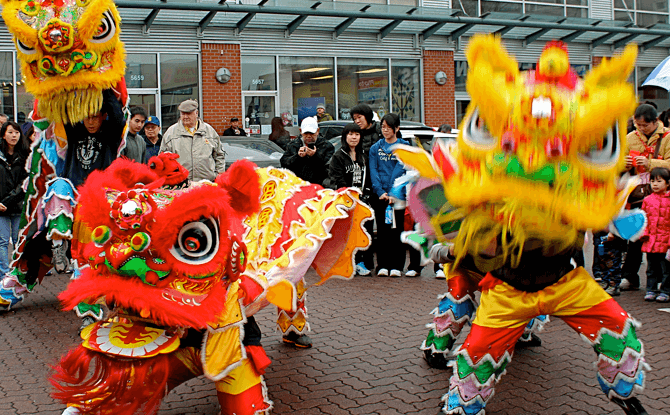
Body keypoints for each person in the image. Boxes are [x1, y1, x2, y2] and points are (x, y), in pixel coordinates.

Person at [621, 104, 670, 292]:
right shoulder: (629, 138)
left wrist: (650, 163)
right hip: (638, 194)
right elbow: (618, 165)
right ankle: (630, 277)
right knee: (636, 235)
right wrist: (623, 164)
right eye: (638, 125)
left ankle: (661, 280)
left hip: (662, 194)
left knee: (661, 236)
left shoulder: (666, 137)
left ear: (655, 122)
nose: (641, 129)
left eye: (645, 125)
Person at [328, 123, 374, 276]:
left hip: (362, 200)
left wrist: (365, 193)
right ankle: (348, 263)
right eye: (350, 134)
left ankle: (361, 262)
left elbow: (368, 178)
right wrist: (348, 194)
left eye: (357, 134)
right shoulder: (338, 156)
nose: (354, 137)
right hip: (346, 201)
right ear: (345, 136)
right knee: (346, 234)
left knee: (362, 231)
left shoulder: (363, 155)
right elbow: (336, 177)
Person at [369, 113, 409, 277]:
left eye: (388, 127)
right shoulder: (375, 148)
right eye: (383, 127)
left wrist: (394, 192)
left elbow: (401, 170)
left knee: (396, 231)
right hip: (381, 196)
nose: (385, 130)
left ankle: (397, 266)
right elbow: (374, 170)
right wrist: (380, 191)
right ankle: (382, 265)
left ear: (397, 128)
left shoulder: (404, 147)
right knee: (383, 232)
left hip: (397, 196)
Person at [63, 89, 126, 188]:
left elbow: (117, 115)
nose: (91, 122)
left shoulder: (110, 133)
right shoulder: (75, 131)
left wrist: (104, 88)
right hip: (74, 191)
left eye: (95, 117)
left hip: (100, 191)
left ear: (104, 116)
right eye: (87, 117)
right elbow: (65, 108)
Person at [160, 99, 226, 182]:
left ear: (196, 113)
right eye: (183, 114)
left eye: (189, 113)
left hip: (207, 183)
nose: (185, 117)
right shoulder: (171, 133)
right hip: (181, 184)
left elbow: (219, 154)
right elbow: (163, 158)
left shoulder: (209, 131)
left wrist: (219, 174)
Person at [0, 121, 30, 276]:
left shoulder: (25, 155)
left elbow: (25, 182)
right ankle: (4, 274)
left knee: (18, 241)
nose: (14, 136)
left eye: (16, 132)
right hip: (0, 208)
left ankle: (18, 273)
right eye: (10, 132)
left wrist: (6, 201)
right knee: (2, 242)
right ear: (3, 134)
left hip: (17, 205)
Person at [640, 167, 670, 302]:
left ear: (668, 183)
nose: (655, 184)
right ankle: (651, 289)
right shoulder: (647, 200)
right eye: (652, 181)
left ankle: (665, 291)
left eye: (659, 181)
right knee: (651, 268)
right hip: (651, 240)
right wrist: (644, 234)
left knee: (666, 270)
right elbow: (643, 219)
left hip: (666, 241)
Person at [280, 117, 334, 186]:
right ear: (300, 131)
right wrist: (298, 156)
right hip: (298, 185)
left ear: (317, 131)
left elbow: (329, 168)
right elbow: (284, 164)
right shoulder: (293, 145)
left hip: (318, 186)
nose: (308, 136)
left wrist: (314, 156)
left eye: (311, 133)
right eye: (306, 133)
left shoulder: (326, 146)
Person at [591, 230, 626, 296]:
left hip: (612, 239)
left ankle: (614, 285)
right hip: (600, 235)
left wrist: (613, 232)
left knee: (613, 263)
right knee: (602, 262)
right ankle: (606, 283)